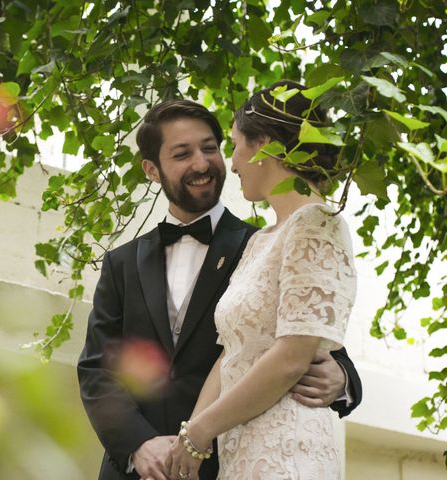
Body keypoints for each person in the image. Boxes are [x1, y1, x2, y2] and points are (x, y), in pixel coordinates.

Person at [78, 98, 362, 480]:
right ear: (152, 170)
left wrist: (343, 378)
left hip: (230, 461)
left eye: (210, 148)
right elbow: (98, 368)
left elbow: (311, 336)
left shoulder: (263, 241)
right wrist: (138, 445)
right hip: (137, 471)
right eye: (182, 154)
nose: (202, 163)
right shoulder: (121, 263)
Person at [164, 81, 357, 480]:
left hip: (288, 453)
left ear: (264, 144)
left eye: (234, 144)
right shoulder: (261, 241)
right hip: (240, 457)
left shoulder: (317, 224)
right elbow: (230, 354)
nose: (231, 163)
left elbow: (291, 357)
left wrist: (200, 433)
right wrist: (187, 441)